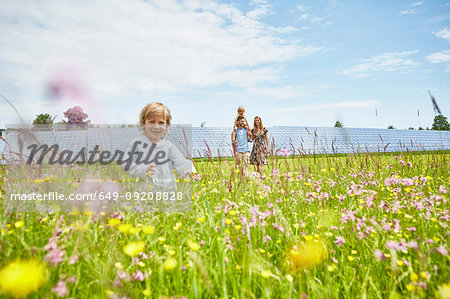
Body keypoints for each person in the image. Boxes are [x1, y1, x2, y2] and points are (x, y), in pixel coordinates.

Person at [123, 102, 196, 191]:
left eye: (161, 123)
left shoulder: (169, 147)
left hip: (168, 192)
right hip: (145, 193)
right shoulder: (137, 144)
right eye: (151, 122)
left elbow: (181, 162)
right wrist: (143, 169)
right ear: (143, 123)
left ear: (166, 125)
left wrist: (191, 172)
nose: (156, 126)